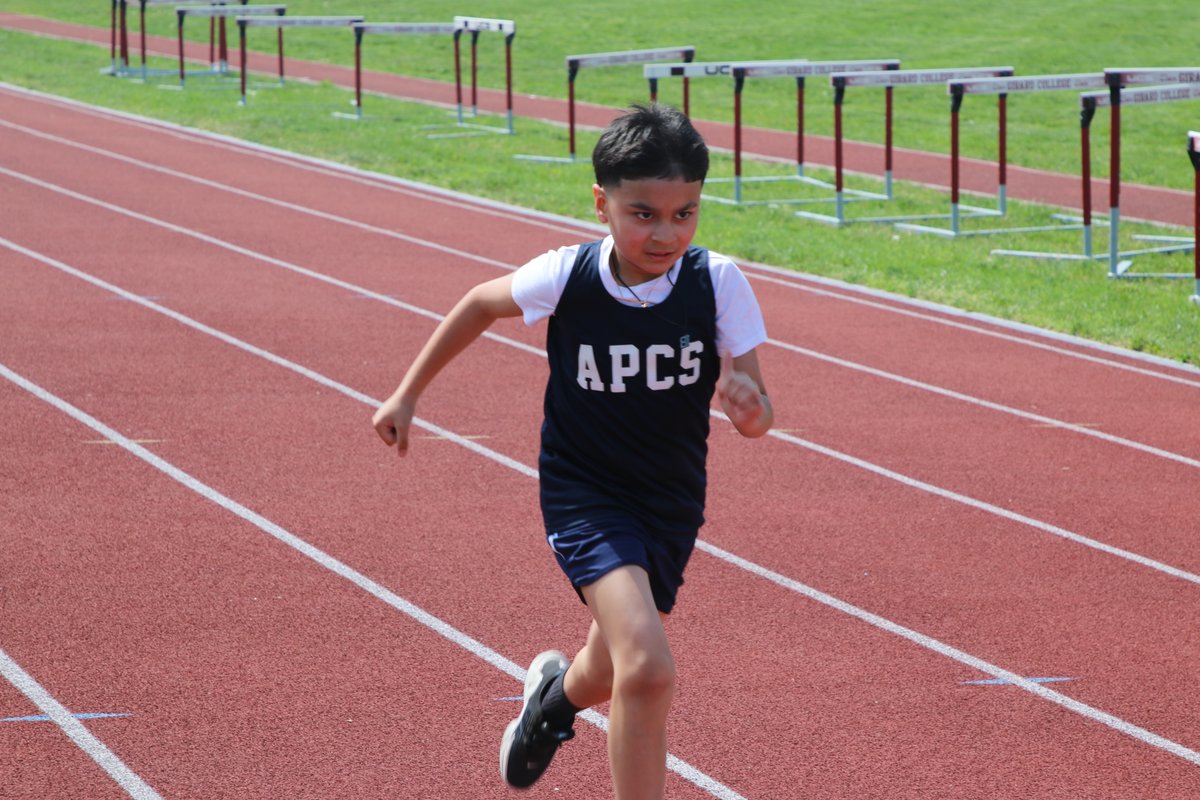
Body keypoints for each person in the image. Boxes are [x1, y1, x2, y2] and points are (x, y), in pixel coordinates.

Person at [372, 102, 773, 799]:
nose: (665, 232)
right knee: (648, 667)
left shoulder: (717, 283)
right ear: (601, 203)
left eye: (685, 213)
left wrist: (750, 410)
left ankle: (552, 704)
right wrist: (406, 395)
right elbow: (480, 302)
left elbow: (760, 414)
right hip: (585, 494)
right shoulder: (568, 275)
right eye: (643, 213)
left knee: (611, 666)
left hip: (671, 501)